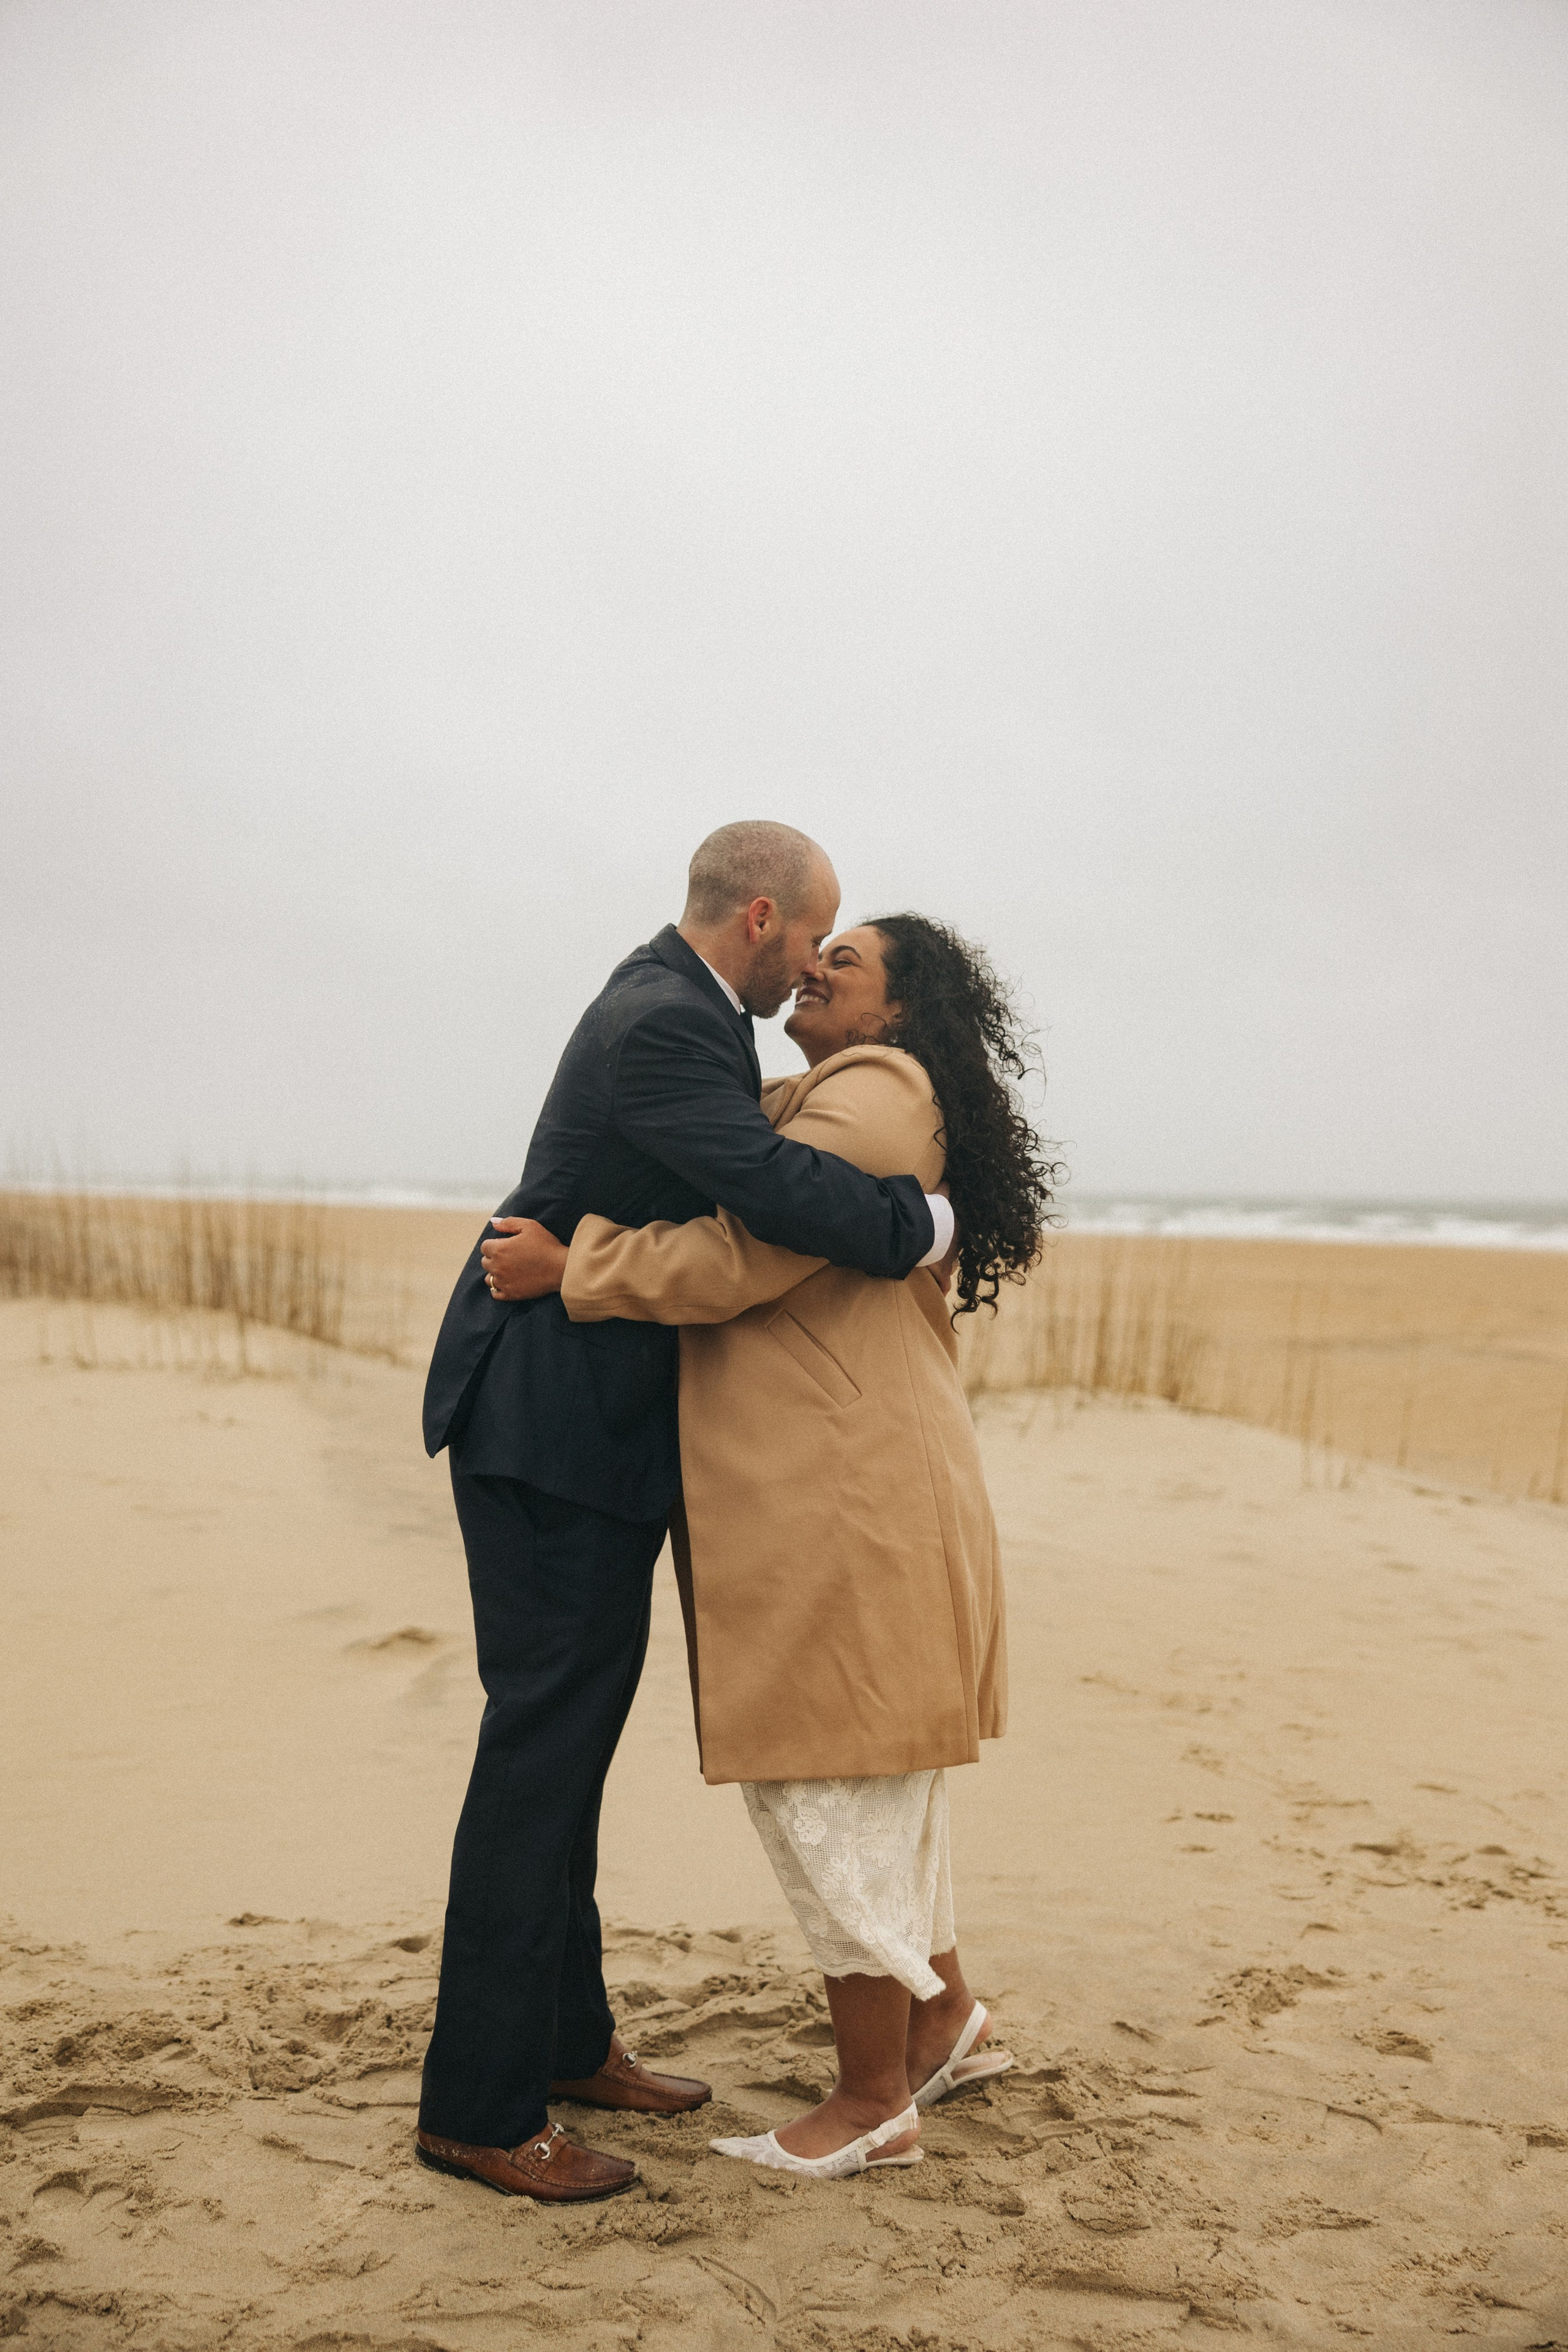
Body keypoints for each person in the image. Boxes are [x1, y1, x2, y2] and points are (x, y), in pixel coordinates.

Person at [414, 824, 958, 2204]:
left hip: (584, 1432)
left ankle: (567, 2036)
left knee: (568, 1747)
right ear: (760, 918)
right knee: (539, 1757)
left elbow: (757, 1159)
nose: (812, 966)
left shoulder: (685, 1010)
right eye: (811, 938)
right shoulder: (668, 1020)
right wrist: (928, 1226)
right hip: (546, 1429)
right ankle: (480, 2108)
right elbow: (771, 1196)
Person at [496, 913, 1055, 2179]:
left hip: (843, 1491)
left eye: (841, 960)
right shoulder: (814, 1086)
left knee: (827, 1778)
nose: (811, 968)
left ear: (898, 1011)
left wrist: (574, 1265)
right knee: (874, 1775)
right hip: (844, 1480)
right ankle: (943, 2023)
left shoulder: (875, 1087)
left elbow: (756, 1247)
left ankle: (869, 2103)